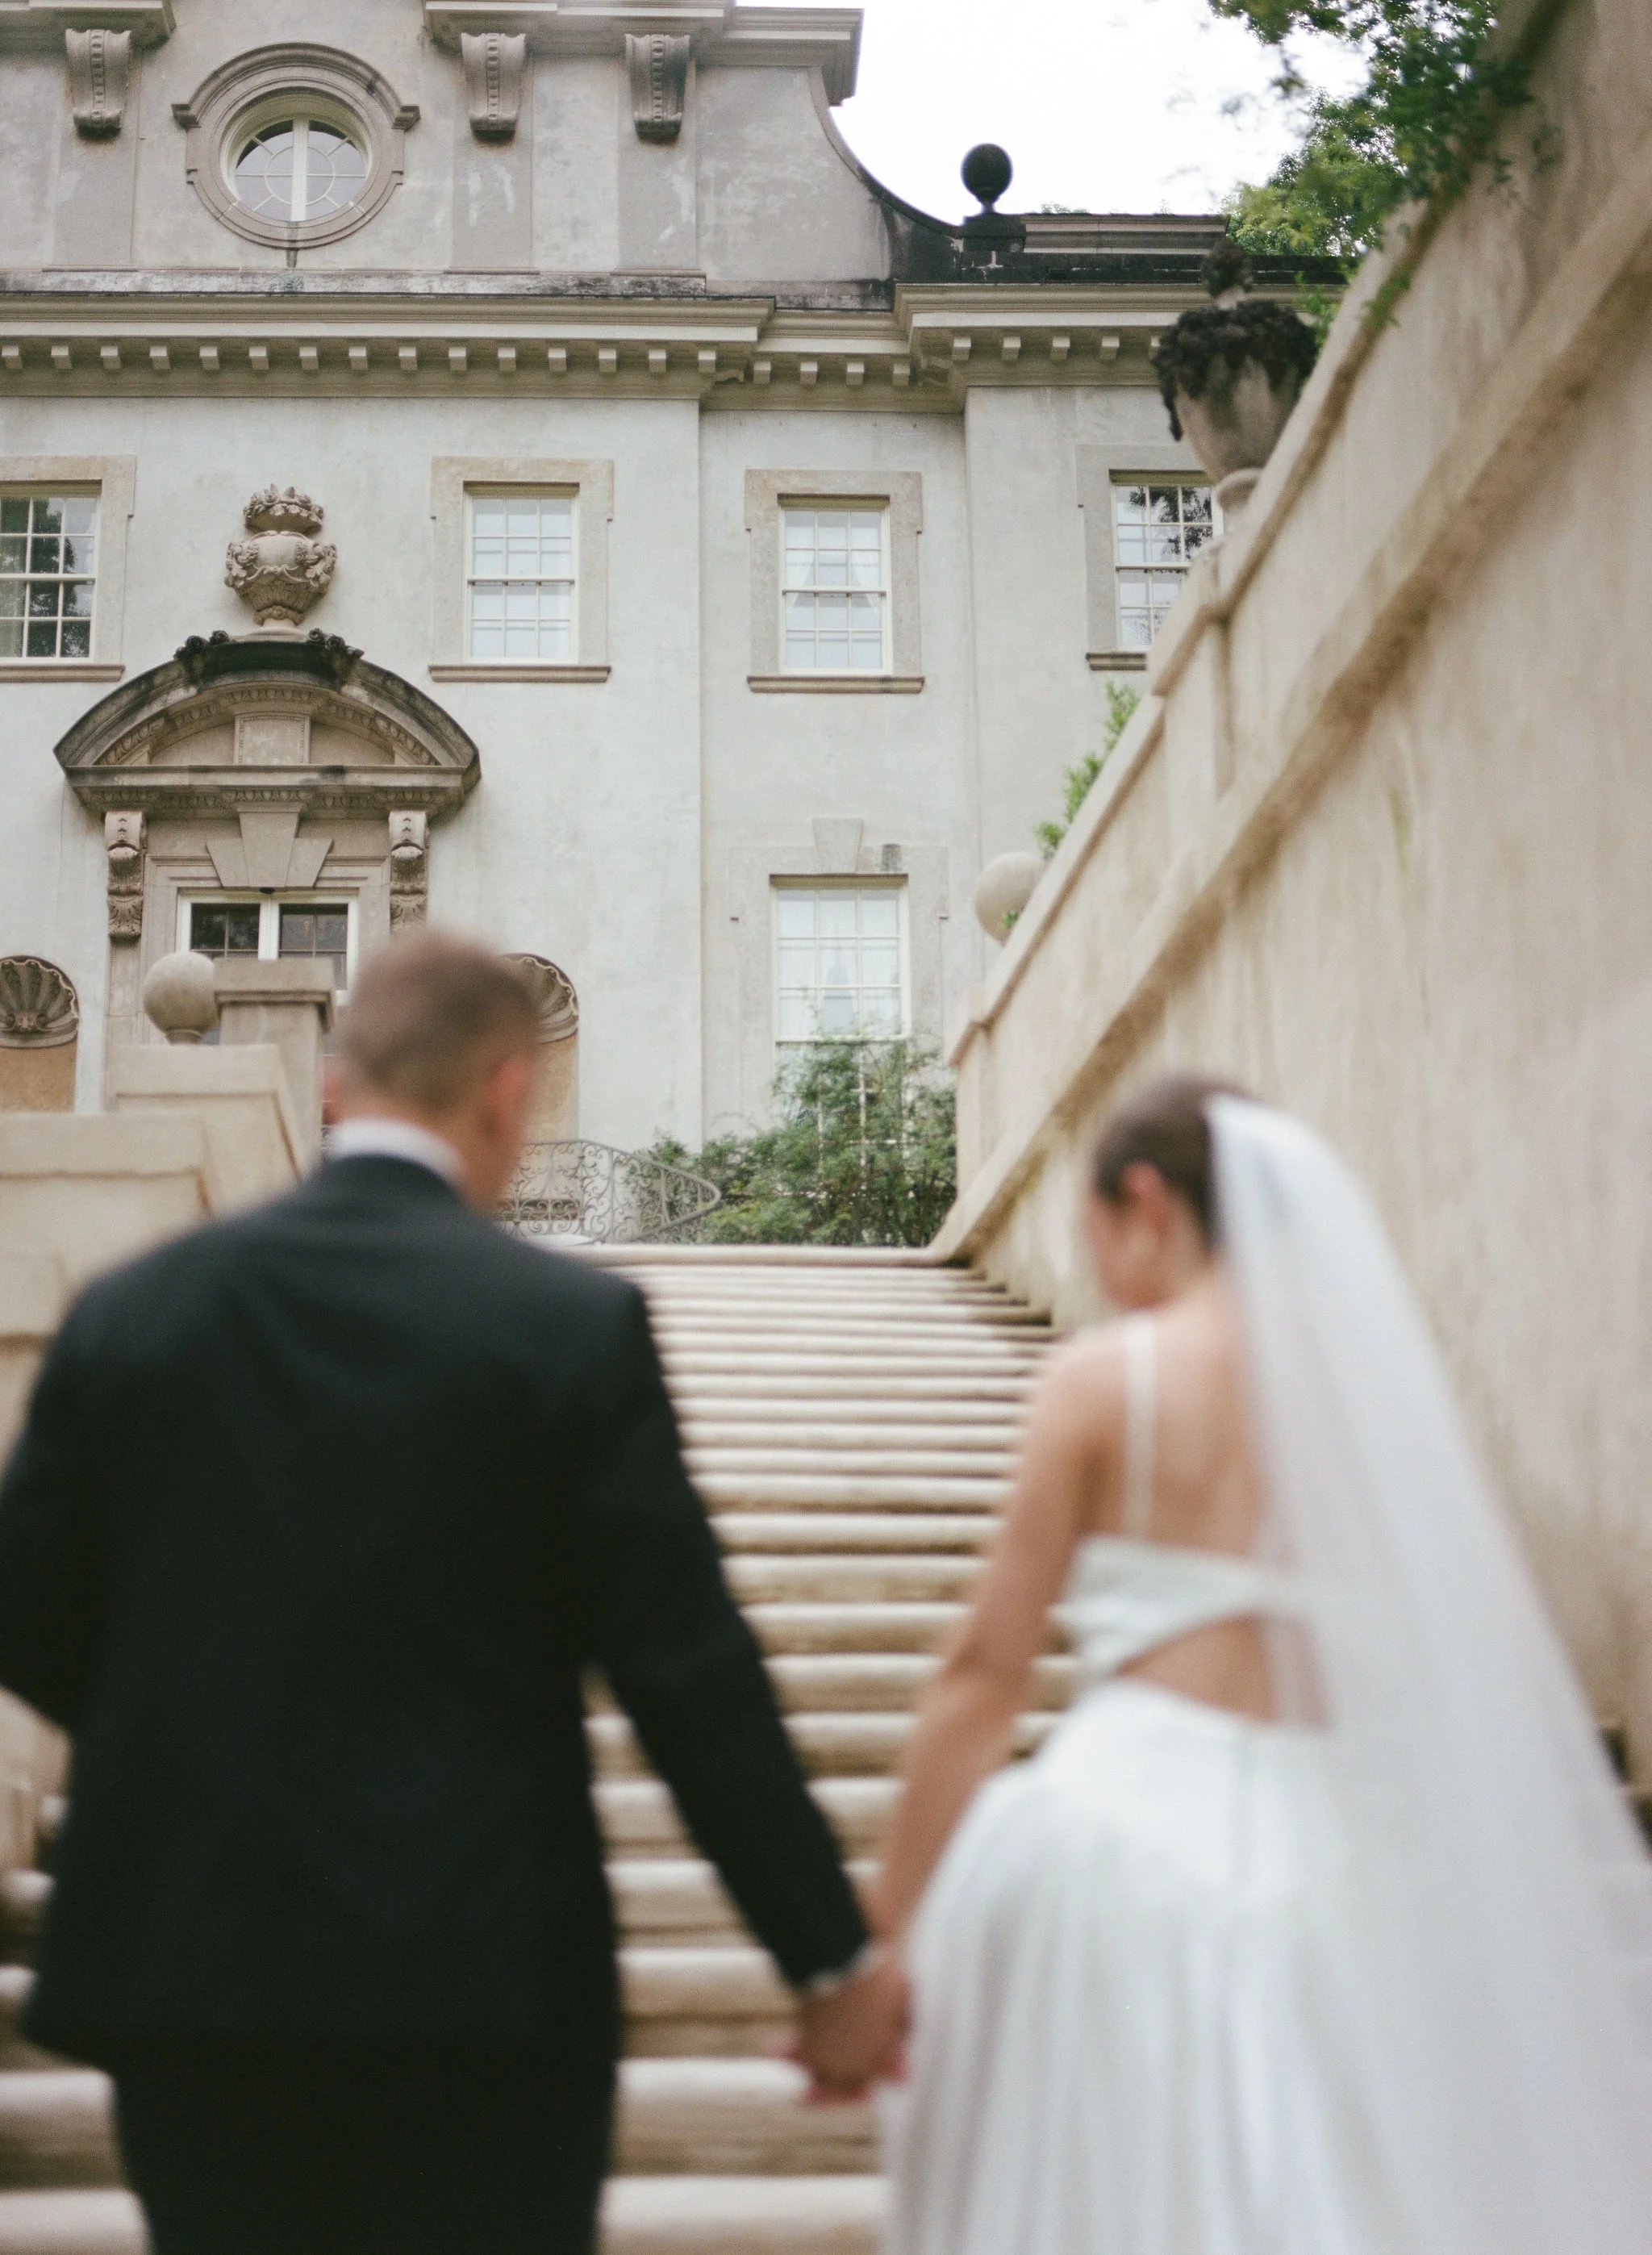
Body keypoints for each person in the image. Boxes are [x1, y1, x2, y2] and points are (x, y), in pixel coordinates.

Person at [0, 930, 905, 2255]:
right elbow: (688, 1674)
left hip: (195, 1969)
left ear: (332, 1085)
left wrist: (184, 1725)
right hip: (484, 1976)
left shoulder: (137, 1309)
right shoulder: (567, 1329)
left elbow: (25, 1603)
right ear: (507, 1092)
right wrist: (827, 1958)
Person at [872, 1073, 1652, 2255]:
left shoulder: (1105, 1380)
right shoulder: (1376, 1403)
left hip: (1119, 1845)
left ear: (1145, 1200)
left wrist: (885, 1943)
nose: (1099, 1277)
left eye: (1096, 1240)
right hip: (1346, 1846)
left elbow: (984, 1673)